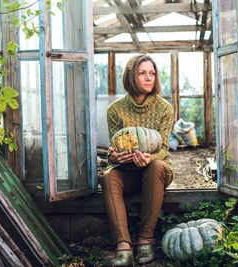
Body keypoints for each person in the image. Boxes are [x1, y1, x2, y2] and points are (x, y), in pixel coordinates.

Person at [100, 54, 174, 266]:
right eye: (142, 73)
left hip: (157, 172)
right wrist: (113, 157)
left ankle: (145, 240)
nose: (148, 78)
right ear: (131, 76)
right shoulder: (115, 110)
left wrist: (149, 158)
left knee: (156, 165)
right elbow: (113, 149)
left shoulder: (164, 109)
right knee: (108, 177)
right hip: (128, 173)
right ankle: (123, 246)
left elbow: (164, 149)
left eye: (152, 73)